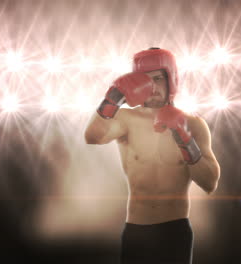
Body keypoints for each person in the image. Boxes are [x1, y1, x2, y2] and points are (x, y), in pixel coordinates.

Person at [84, 48, 221, 264]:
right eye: (144, 80)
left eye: (158, 79)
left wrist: (185, 139)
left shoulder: (194, 124)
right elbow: (92, 136)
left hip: (174, 232)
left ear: (172, 80)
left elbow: (209, 182)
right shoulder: (125, 119)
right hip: (137, 231)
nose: (153, 87)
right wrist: (113, 98)